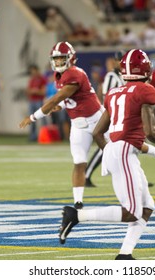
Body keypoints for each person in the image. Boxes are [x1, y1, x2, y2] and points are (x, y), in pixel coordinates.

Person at [59, 49, 155, 260]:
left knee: (147, 207)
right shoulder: (146, 90)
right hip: (123, 152)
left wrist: (112, 151)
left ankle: (125, 254)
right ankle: (76, 215)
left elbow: (97, 132)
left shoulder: (113, 93)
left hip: (116, 149)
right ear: (147, 69)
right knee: (132, 211)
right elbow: (150, 131)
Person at [19, 41, 104, 210]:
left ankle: (154, 154)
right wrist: (63, 105)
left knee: (117, 157)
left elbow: (56, 98)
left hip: (98, 121)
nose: (58, 62)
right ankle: (78, 203)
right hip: (79, 125)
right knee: (79, 162)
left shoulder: (75, 73)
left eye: (61, 59)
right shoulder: (59, 76)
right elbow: (70, 98)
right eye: (56, 59)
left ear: (70, 58)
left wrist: (33, 117)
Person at [85, 51, 125, 188]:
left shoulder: (123, 76)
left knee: (127, 145)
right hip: (111, 115)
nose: (121, 62)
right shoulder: (111, 76)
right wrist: (111, 116)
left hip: (120, 116)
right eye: (119, 60)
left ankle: (131, 176)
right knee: (105, 147)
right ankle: (86, 175)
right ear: (115, 61)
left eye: (123, 59)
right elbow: (106, 96)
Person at [26, 64, 47, 142]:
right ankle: (32, 137)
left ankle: (45, 136)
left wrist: (36, 91)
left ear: (37, 71)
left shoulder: (42, 79)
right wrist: (32, 91)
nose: (33, 73)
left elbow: (43, 91)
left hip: (39, 101)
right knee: (31, 119)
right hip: (32, 101)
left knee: (43, 119)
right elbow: (28, 91)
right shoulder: (32, 80)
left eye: (34, 71)